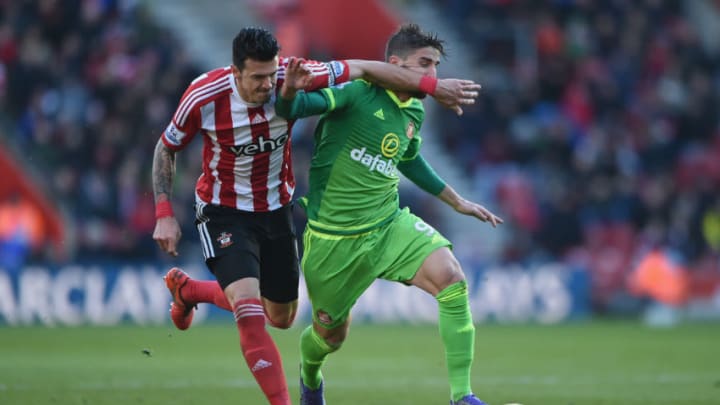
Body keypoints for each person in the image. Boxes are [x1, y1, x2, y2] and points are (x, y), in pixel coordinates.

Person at [151, 27, 482, 405]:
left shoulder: (296, 75)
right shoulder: (204, 95)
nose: (267, 86)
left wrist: (428, 87)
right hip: (225, 210)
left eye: (271, 75)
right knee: (248, 310)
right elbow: (166, 147)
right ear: (235, 71)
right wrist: (164, 212)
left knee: (282, 317)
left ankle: (191, 290)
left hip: (277, 209)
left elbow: (361, 67)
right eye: (257, 78)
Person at [275, 24, 503, 405]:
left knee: (451, 278)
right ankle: (309, 376)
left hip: (388, 225)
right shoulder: (357, 92)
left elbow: (409, 159)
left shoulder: (414, 108)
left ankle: (462, 396)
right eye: (424, 63)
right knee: (330, 337)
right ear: (395, 64)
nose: (432, 75)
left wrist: (456, 200)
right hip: (334, 239)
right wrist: (288, 89)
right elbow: (292, 109)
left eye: (436, 66)